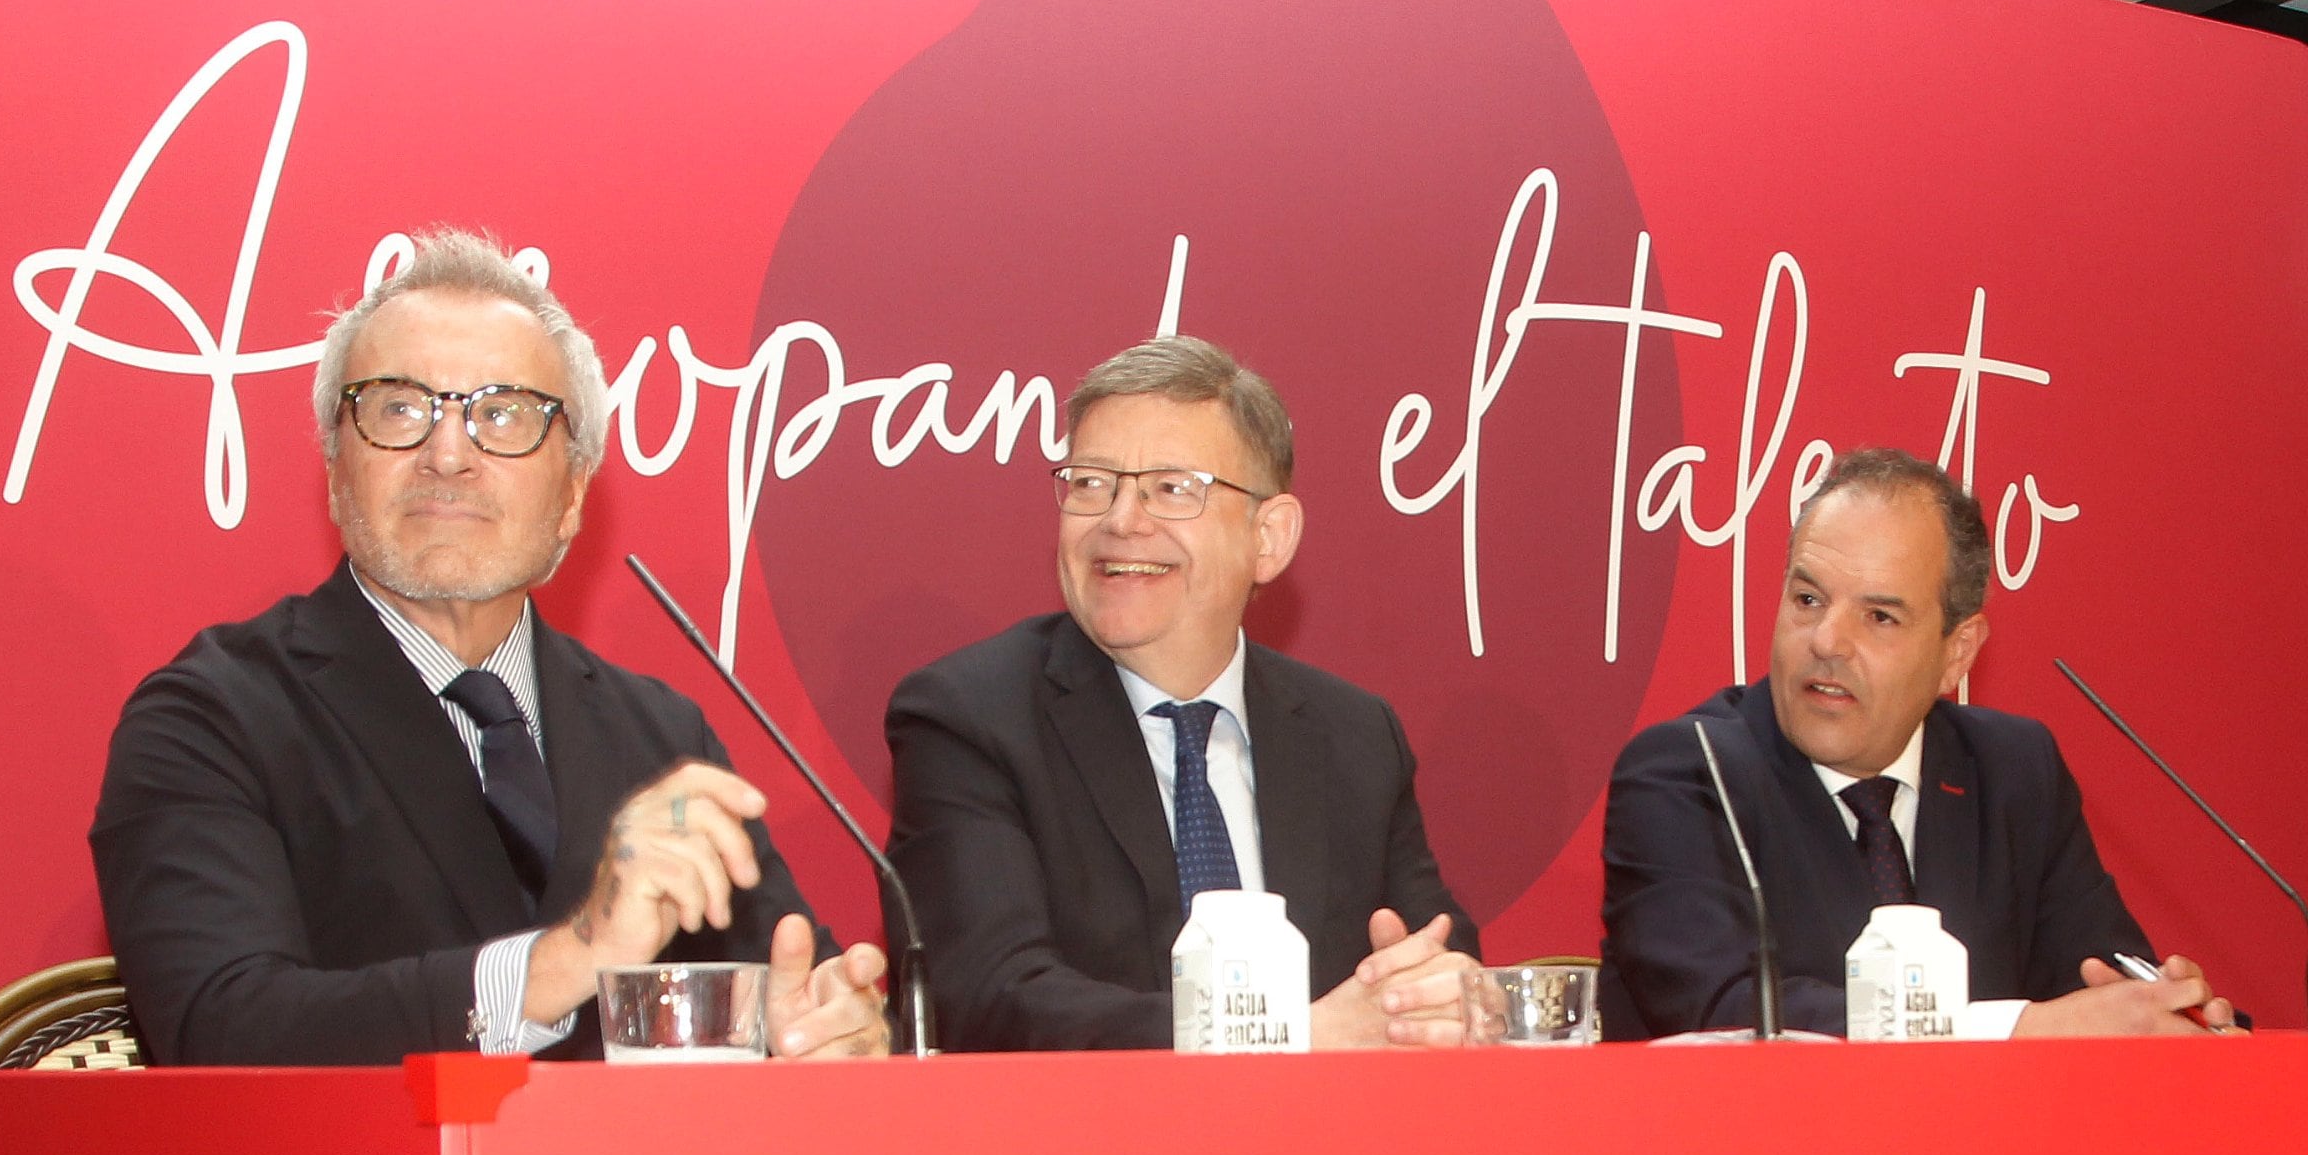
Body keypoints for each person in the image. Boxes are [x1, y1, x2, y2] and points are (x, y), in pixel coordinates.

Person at [90, 229, 889, 1065]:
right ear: (334, 469)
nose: (447, 455)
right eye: (399, 408)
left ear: (574, 491)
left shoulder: (658, 738)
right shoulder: (212, 718)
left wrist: (822, 1030)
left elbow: (785, 989)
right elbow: (223, 1029)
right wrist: (565, 961)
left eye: (502, 414)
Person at [883, 337, 1483, 1051]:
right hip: (1081, 1153)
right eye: (1090, 483)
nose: (1120, 520)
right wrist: (1286, 1036)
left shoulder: (1352, 734)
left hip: (1331, 1151)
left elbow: (1438, 958)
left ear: (1270, 536)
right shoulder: (970, 717)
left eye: (1170, 488)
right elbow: (987, 996)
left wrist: (1441, 993)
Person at [1600, 449, 2239, 1041]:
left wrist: (2164, 1017)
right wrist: (2016, 1030)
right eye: (1807, 598)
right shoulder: (1686, 772)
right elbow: (1728, 1013)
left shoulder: (2015, 772)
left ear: (1955, 654)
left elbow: (2095, 979)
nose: (1827, 639)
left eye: (1879, 616)